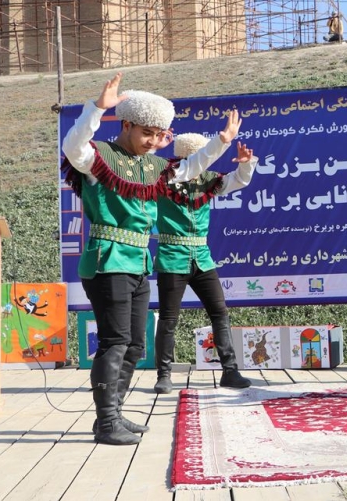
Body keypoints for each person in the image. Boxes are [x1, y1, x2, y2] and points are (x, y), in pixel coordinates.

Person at [61, 72, 242, 445]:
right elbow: (73, 146)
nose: (153, 141)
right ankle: (107, 421)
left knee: (135, 345)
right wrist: (96, 109)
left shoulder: (154, 167)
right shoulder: (101, 157)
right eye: (147, 133)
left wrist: (220, 142)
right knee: (115, 340)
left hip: (138, 262)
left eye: (159, 135)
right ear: (126, 124)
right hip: (107, 260)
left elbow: (190, 170)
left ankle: (114, 414)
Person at [153, 133, 258, 394]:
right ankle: (164, 375)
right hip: (172, 257)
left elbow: (239, 180)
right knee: (168, 318)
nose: (204, 163)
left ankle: (230, 371)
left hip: (202, 257)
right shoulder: (164, 179)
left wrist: (245, 163)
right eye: (201, 157)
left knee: (219, 312)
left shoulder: (209, 181)